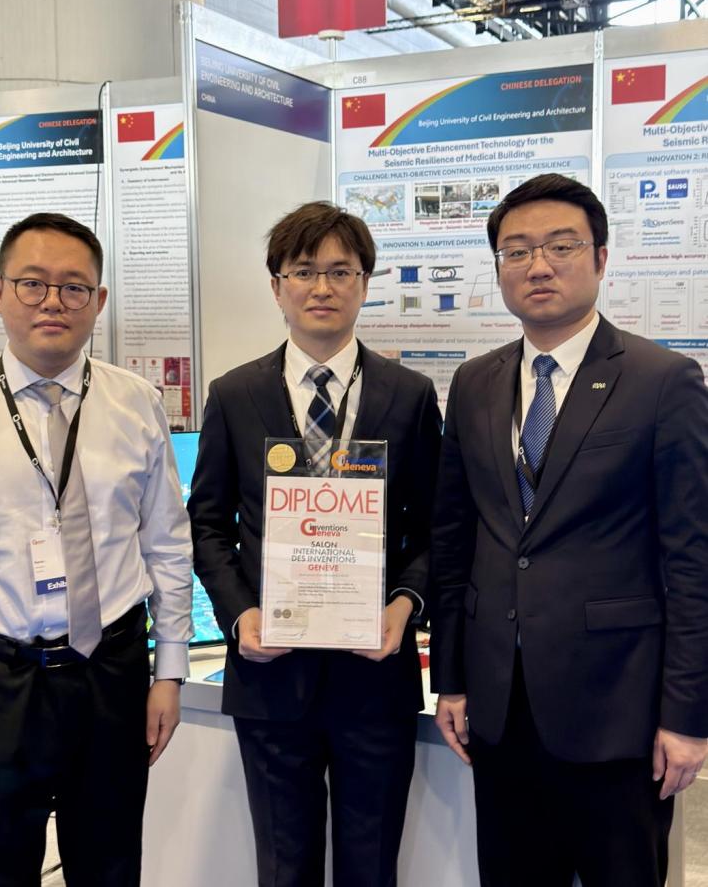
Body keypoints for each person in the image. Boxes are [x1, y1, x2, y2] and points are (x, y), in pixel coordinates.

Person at [430, 173, 708, 887]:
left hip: (618, 709)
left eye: (561, 246)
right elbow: (455, 541)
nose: (539, 266)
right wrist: (451, 681)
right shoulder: (475, 383)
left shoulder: (663, 380)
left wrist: (687, 715)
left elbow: (691, 559)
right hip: (500, 707)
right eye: (517, 251)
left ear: (601, 258)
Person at [0, 212, 193, 886]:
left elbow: (167, 544)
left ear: (98, 301)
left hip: (109, 671)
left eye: (74, 287)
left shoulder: (137, 403)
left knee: (110, 864)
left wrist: (169, 672)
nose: (53, 301)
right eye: (32, 283)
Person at [189, 201, 441, 887]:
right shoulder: (234, 394)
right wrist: (240, 614)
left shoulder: (410, 395)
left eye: (340, 271)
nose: (322, 287)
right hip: (271, 678)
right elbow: (207, 523)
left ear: (364, 283)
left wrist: (404, 606)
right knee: (284, 866)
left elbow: (434, 526)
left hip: (375, 676)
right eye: (304, 271)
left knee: (371, 866)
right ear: (277, 286)